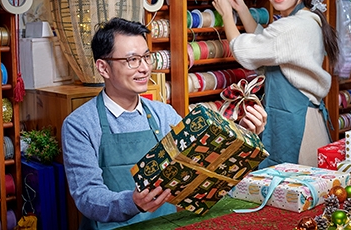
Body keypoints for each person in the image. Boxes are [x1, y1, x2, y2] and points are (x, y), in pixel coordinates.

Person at [61, 17, 267, 229]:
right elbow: (88, 197)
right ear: (103, 68)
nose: (144, 68)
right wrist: (132, 202)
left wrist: (244, 135)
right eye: (132, 60)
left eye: (146, 57)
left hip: (166, 224)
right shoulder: (80, 125)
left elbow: (203, 166)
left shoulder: (164, 114)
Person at [212, 0, 340, 168]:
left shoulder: (292, 27)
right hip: (302, 117)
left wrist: (226, 15)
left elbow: (245, 51)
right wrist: (242, 9)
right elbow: (271, 44)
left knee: (293, 192)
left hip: (297, 126)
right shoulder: (307, 19)